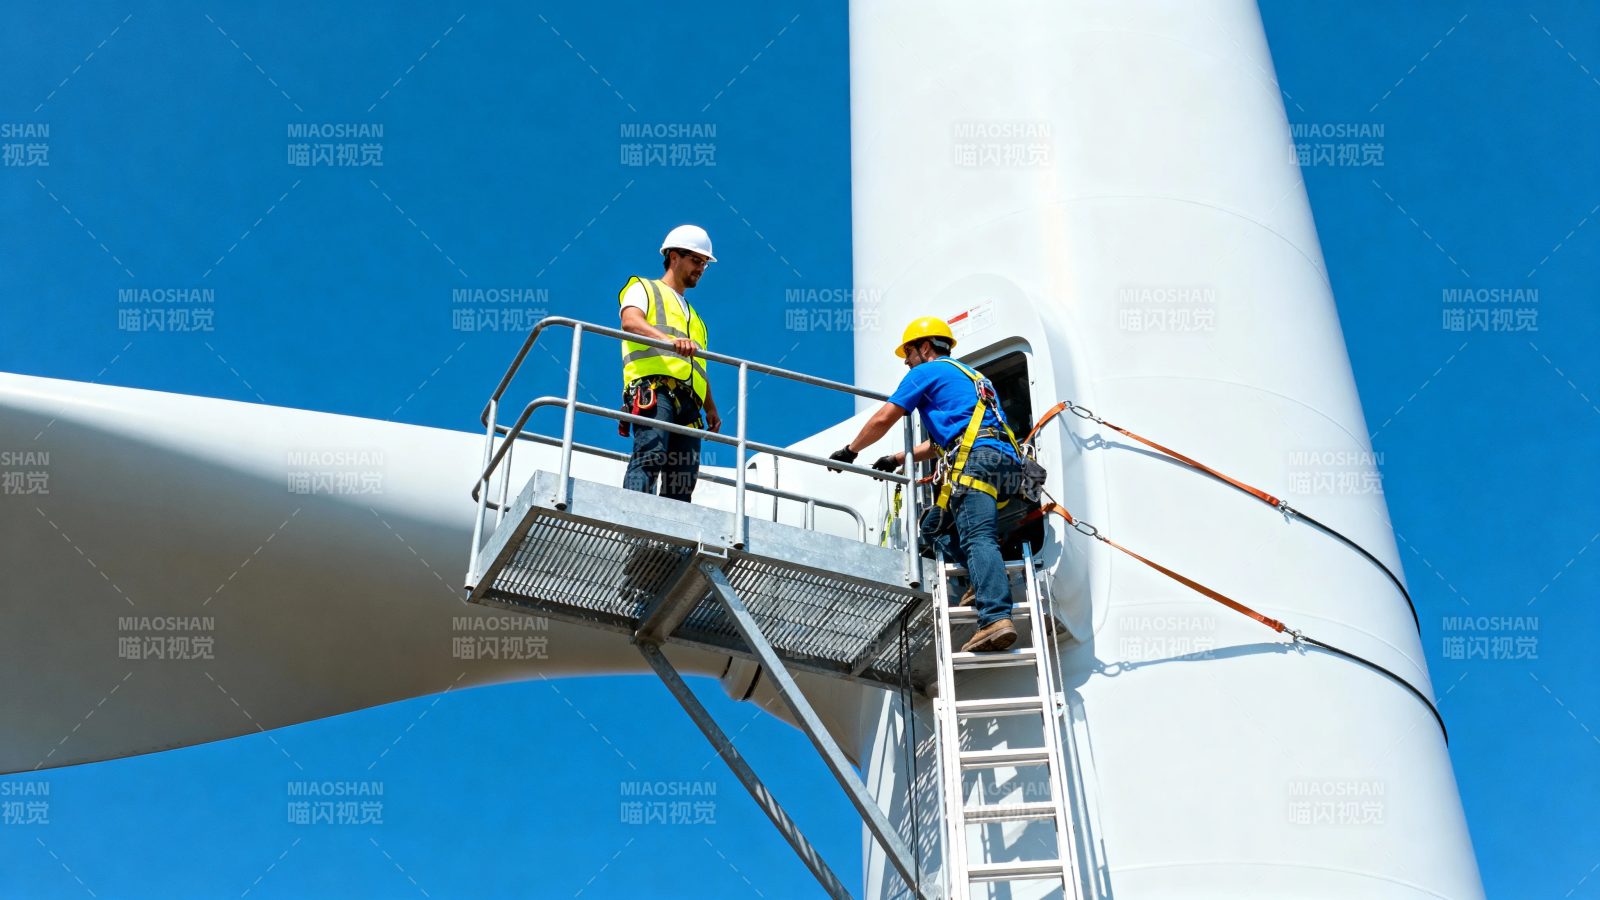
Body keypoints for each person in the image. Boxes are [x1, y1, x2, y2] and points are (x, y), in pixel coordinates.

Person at [827, 317, 1025, 652]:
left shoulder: (924, 373)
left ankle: (994, 619)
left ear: (925, 347)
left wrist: (850, 451)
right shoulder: (973, 377)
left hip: (974, 460)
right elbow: (944, 441)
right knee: (934, 526)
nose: (906, 361)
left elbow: (883, 418)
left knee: (978, 537)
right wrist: (899, 458)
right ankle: (983, 581)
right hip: (1004, 460)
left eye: (908, 352)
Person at [617, 225, 722, 502]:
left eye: (704, 264)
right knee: (650, 455)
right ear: (674, 256)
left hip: (691, 407)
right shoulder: (643, 288)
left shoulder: (696, 320)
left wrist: (710, 407)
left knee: (683, 479)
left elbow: (697, 367)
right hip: (655, 390)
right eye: (696, 260)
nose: (701, 268)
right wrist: (668, 340)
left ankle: (667, 546)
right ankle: (634, 526)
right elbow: (630, 321)